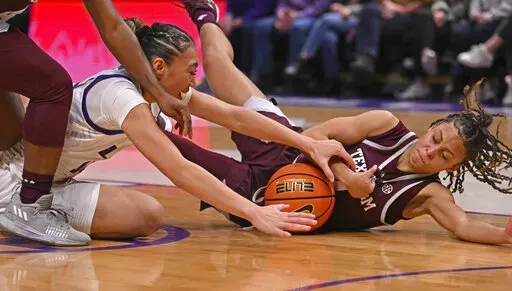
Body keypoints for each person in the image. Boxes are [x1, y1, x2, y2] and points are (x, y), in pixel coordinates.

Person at [0, 0, 356, 244]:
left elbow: (236, 116)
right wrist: (254, 212)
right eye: (191, 70)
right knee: (149, 215)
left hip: (43, 170)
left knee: (146, 214)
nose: (195, 78)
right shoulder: (123, 98)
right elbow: (179, 169)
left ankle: (32, 200)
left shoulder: (159, 88)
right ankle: (18, 203)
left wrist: (307, 143)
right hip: (15, 175)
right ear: (158, 68)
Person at [171, 2, 512, 245]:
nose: (431, 151)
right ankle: (205, 13)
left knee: (171, 147)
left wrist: (502, 235)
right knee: (215, 64)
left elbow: (463, 224)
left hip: (266, 199)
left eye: (444, 156)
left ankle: (128, 113)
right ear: (431, 127)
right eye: (436, 138)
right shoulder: (385, 125)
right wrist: (347, 177)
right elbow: (317, 135)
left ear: (452, 168)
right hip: (280, 143)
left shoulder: (426, 194)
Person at [0, 0, 192, 246]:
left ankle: (24, 197)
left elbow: (112, 26)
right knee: (52, 85)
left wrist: (159, 92)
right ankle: (30, 203)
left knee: (17, 88)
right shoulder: (120, 98)